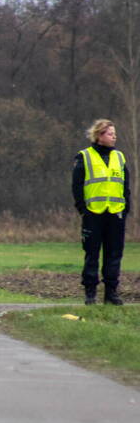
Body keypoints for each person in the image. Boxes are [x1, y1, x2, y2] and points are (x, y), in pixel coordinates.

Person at [72, 119, 129, 305]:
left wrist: (126, 207)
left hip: (115, 213)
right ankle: (90, 293)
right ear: (99, 136)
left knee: (114, 254)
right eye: (110, 134)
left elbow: (125, 185)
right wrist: (83, 209)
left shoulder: (120, 157)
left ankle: (111, 293)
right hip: (93, 214)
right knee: (92, 254)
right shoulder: (84, 157)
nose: (115, 137)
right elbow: (77, 186)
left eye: (114, 133)